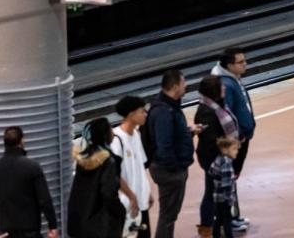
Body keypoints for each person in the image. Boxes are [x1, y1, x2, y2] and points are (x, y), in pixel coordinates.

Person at [147, 69, 199, 238]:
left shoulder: (167, 107)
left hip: (168, 168)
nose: (186, 86)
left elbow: (171, 136)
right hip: (169, 171)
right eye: (184, 83)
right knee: (168, 215)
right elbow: (164, 145)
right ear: (175, 86)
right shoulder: (164, 111)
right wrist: (176, 167)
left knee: (169, 214)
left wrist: (188, 132)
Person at [0, 127, 58, 238]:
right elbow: (44, 200)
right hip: (30, 229)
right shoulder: (32, 167)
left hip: (5, 230)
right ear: (22, 141)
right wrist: (52, 225)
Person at [211, 47, 255, 232]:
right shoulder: (225, 84)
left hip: (239, 140)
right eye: (241, 62)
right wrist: (237, 137)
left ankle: (232, 217)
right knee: (228, 182)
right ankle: (227, 220)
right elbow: (226, 113)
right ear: (229, 65)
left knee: (232, 181)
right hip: (235, 142)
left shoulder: (232, 79)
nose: (245, 64)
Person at [194, 76, 240, 238]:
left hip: (221, 156)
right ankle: (207, 226)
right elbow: (210, 140)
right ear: (213, 91)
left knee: (216, 191)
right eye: (221, 86)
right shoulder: (206, 111)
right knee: (211, 191)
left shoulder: (216, 105)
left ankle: (218, 222)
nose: (224, 88)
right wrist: (230, 146)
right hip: (213, 159)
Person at [69, 117, 125, 238]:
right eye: (110, 129)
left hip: (80, 221)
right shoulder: (108, 161)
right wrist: (120, 212)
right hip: (101, 225)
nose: (113, 133)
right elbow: (108, 193)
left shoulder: (82, 159)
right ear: (105, 134)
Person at [111, 96, 153, 238]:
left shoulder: (136, 134)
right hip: (128, 204)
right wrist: (131, 196)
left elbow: (140, 166)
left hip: (141, 201)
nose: (145, 115)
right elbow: (115, 174)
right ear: (131, 114)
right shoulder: (116, 140)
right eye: (142, 111)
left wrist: (147, 190)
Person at [209, 137, 241, 238]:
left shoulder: (218, 159)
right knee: (227, 220)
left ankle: (216, 235)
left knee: (218, 218)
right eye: (234, 149)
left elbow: (211, 171)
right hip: (225, 198)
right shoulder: (227, 163)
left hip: (217, 196)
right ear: (225, 150)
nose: (237, 152)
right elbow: (226, 185)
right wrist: (230, 199)